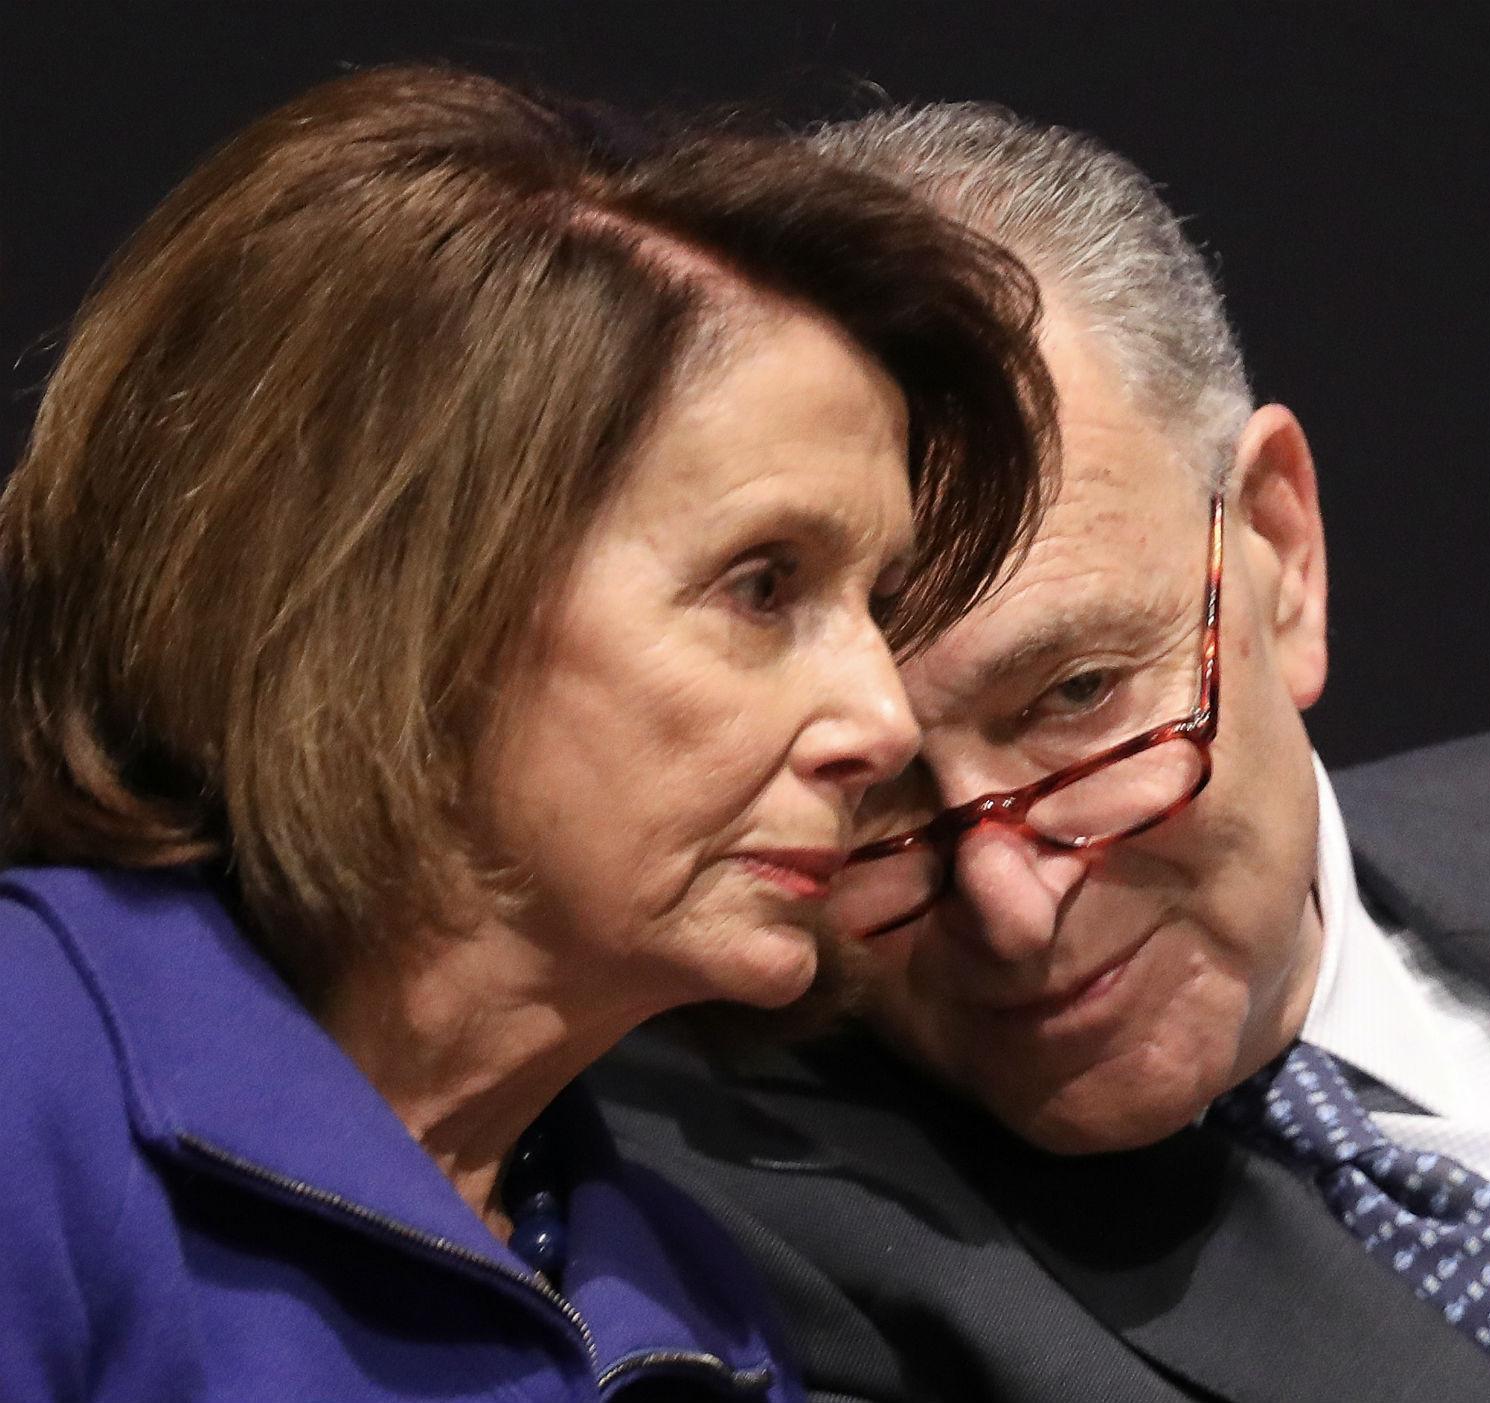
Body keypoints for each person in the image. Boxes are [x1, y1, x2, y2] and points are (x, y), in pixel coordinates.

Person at [592, 104, 1490, 1403]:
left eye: (1080, 697)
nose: (1010, 902)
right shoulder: (756, 1246)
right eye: (883, 791)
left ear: (1280, 551)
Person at [0, 69, 1057, 1401]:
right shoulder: (29, 1072)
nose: (881, 721)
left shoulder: (706, 1321)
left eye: (875, 605)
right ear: (395, 598)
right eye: (763, 584)